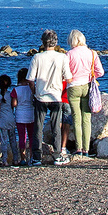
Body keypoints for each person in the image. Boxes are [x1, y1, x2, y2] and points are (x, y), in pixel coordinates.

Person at [27, 30, 70, 164]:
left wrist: (34, 91)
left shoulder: (37, 58)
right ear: (56, 42)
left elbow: (30, 79)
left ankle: (36, 157)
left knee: (38, 128)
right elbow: (68, 77)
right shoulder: (62, 57)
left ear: (43, 42)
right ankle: (57, 154)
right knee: (56, 126)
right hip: (56, 96)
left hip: (40, 96)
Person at [63, 29, 105, 160]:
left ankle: (79, 148)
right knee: (86, 118)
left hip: (73, 87)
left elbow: (64, 74)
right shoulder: (92, 53)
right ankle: (86, 149)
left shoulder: (69, 54)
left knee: (76, 118)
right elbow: (101, 72)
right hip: (87, 86)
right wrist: (92, 76)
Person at [0, 74, 20, 167]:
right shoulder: (11, 94)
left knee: (4, 141)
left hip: (3, 120)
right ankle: (15, 159)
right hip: (11, 119)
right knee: (13, 141)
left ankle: (5, 160)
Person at [12, 68, 38, 165]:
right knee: (31, 137)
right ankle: (31, 157)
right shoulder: (32, 89)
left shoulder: (16, 90)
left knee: (22, 137)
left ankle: (22, 158)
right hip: (31, 114)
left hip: (20, 116)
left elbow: (14, 104)